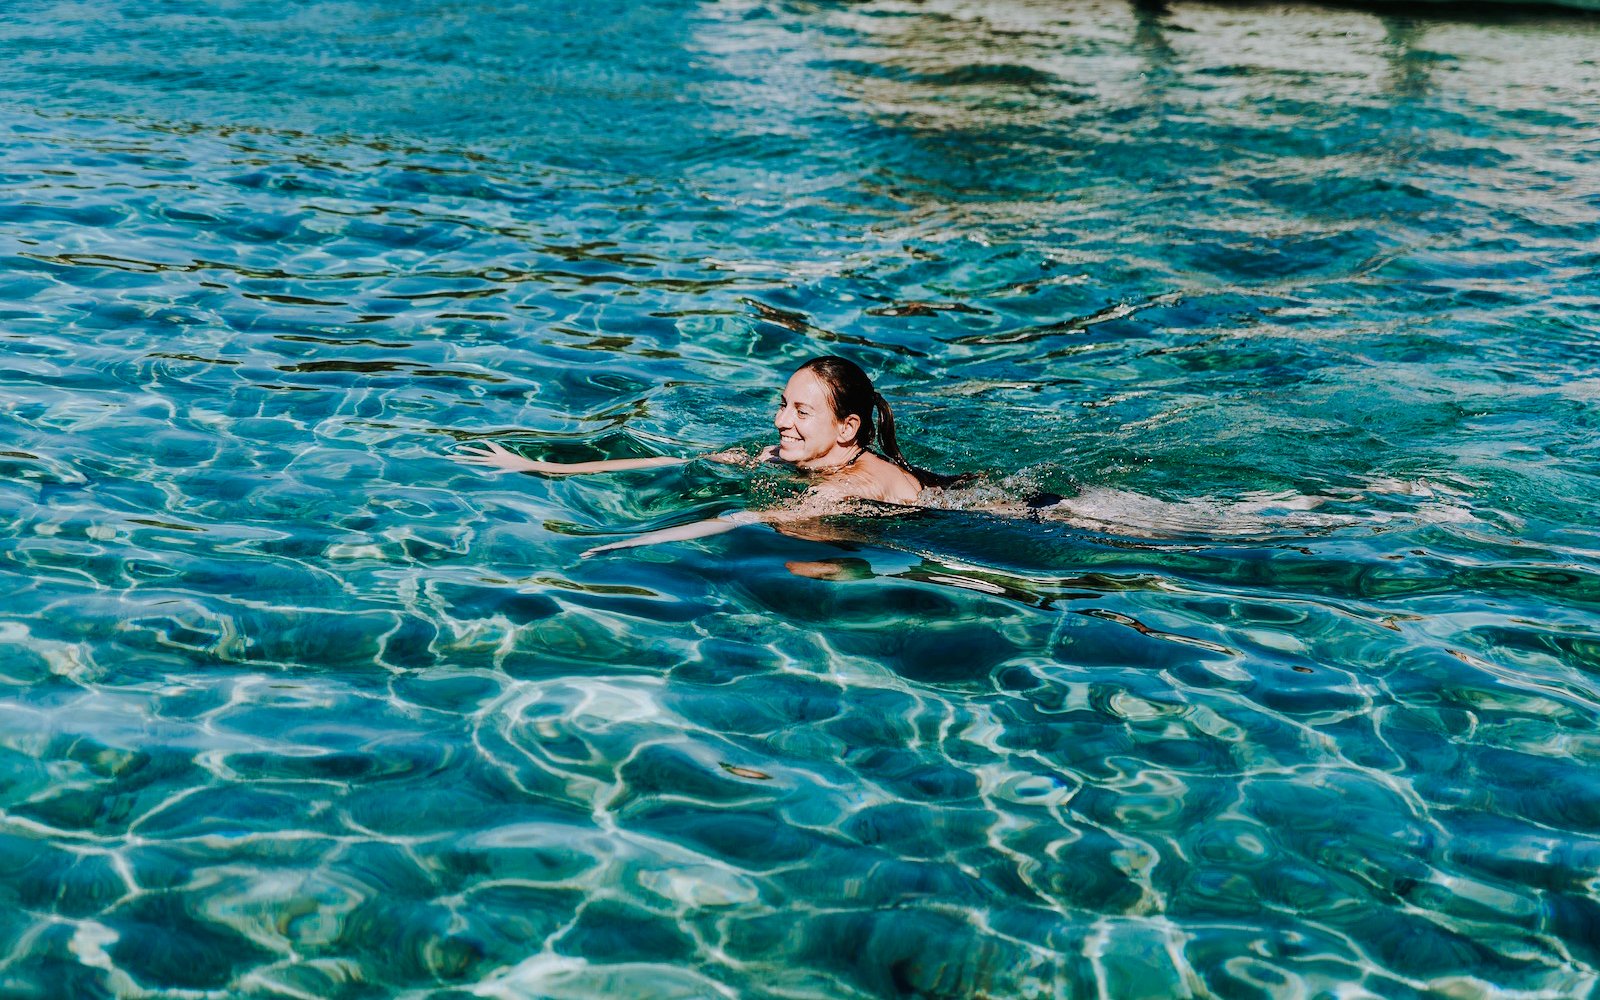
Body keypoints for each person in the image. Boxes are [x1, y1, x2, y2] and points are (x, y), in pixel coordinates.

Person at [457, 355, 958, 554]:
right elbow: (675, 463)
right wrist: (541, 466)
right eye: (784, 405)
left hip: (980, 514)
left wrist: (624, 544)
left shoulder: (850, 485)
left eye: (803, 412)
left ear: (848, 428)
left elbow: (739, 517)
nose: (783, 421)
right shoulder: (788, 458)